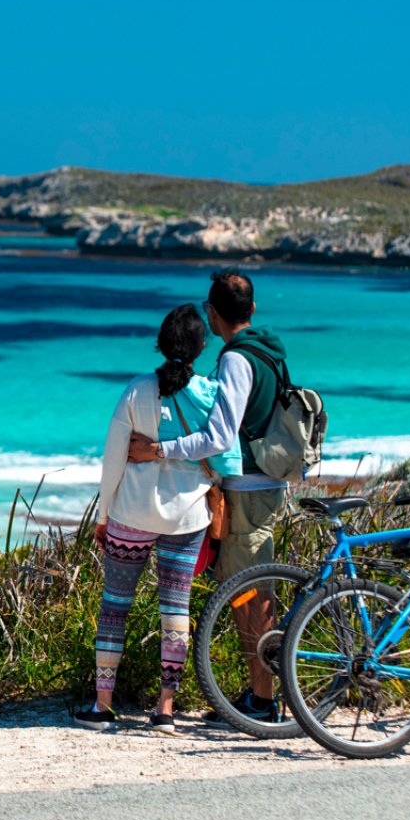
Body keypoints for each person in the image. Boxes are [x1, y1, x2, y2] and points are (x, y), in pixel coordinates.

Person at [127, 268, 290, 723]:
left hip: (249, 486)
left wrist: (160, 450)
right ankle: (259, 694)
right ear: (252, 309)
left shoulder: (237, 360)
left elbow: (220, 436)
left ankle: (262, 701)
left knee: (247, 595)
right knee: (252, 590)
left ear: (213, 314)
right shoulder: (269, 352)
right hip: (268, 482)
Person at [75, 304, 242, 735]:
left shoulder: (135, 391)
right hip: (187, 517)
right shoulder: (209, 393)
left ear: (160, 344)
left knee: (115, 606)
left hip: (130, 512)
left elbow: (113, 460)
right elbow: (223, 459)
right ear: (202, 347)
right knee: (175, 610)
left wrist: (104, 515)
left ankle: (103, 703)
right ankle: (165, 709)